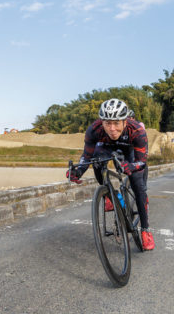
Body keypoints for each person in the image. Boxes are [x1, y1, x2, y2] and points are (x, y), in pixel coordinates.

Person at [66, 98, 155, 251]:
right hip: (106, 148)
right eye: (108, 123)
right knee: (96, 161)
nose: (112, 128)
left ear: (125, 121)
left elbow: (142, 162)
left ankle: (145, 230)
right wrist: (78, 171)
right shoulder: (94, 130)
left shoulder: (137, 130)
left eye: (116, 123)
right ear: (102, 122)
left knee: (138, 186)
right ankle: (109, 195)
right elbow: (87, 156)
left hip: (129, 151)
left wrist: (131, 166)